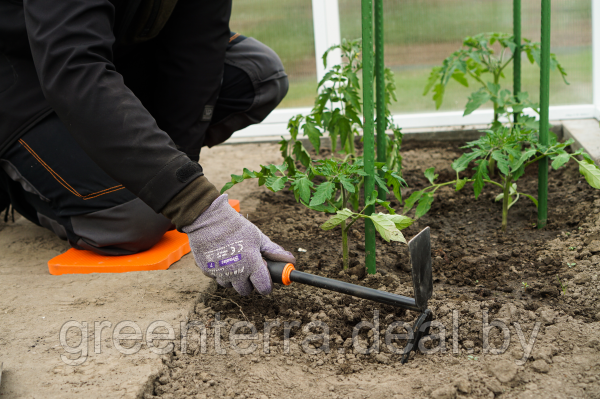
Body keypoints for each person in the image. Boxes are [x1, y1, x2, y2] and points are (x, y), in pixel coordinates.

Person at [0, 0, 296, 296]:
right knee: (135, 220)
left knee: (258, 75)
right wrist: (197, 207)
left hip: (112, 58)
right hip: (24, 75)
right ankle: (17, 179)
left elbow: (198, 48)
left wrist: (180, 176)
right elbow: (74, 67)